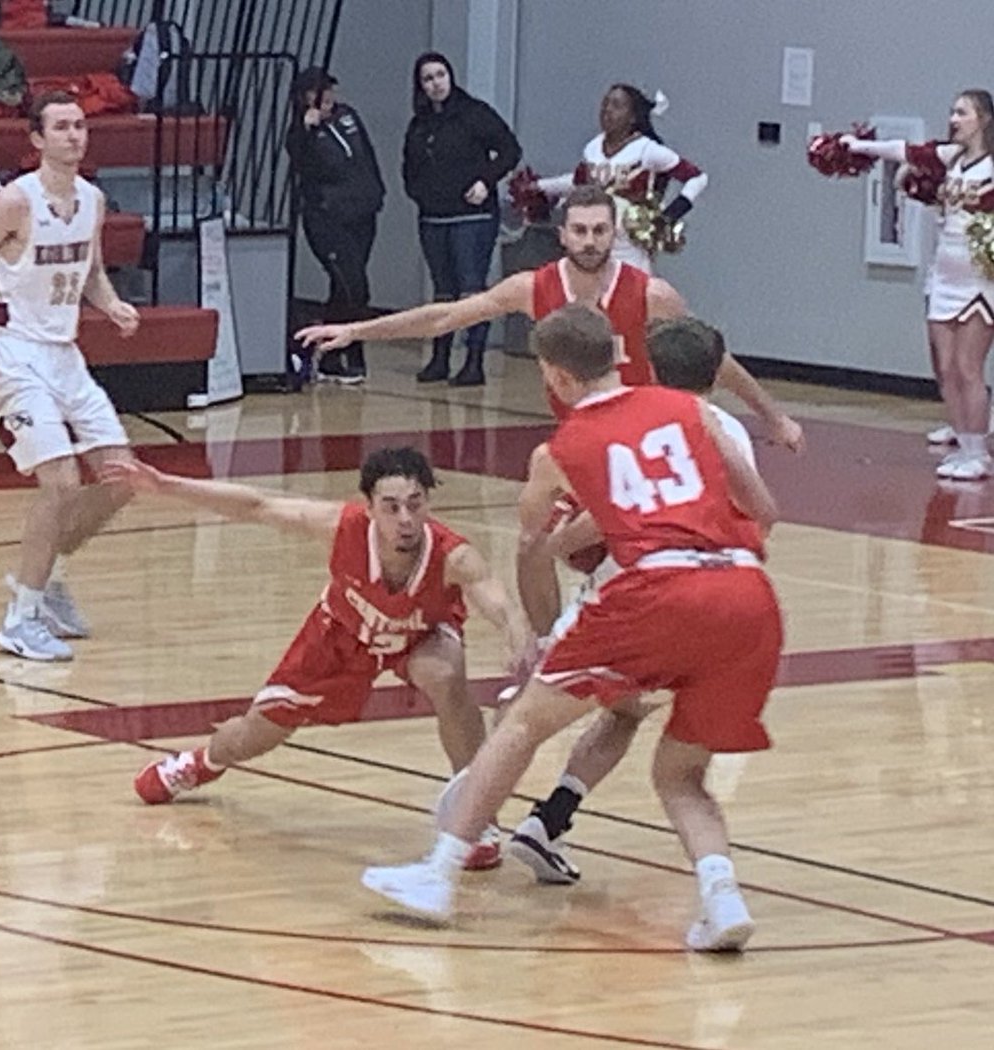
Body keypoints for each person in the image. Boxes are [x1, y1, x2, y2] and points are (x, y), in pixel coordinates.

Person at [361, 305, 783, 953]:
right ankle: (722, 897)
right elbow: (763, 508)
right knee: (679, 774)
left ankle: (439, 875)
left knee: (527, 722)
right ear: (618, 354)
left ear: (554, 376)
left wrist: (572, 537)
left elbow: (537, 536)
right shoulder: (690, 411)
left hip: (655, 589)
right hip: (745, 593)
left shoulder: (558, 450)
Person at [298, 183, 801, 635]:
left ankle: (643, 634)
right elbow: (445, 317)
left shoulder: (651, 294)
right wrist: (356, 330)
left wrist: (771, 415)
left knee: (611, 551)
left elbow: (712, 357)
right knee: (531, 543)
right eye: (580, 230)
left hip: (639, 449)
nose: (590, 240)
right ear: (562, 234)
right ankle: (548, 646)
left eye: (600, 230)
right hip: (584, 451)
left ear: (615, 233)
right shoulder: (533, 288)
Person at [108, 447, 533, 870]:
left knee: (445, 674)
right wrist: (167, 485)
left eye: (415, 504)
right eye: (391, 507)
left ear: (428, 502)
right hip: (340, 637)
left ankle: (476, 818)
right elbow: (257, 505)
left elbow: (501, 603)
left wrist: (519, 641)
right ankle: (202, 762)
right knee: (252, 737)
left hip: (416, 635)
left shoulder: (453, 555)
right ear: (369, 508)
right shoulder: (341, 527)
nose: (405, 519)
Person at [509, 316, 759, 885]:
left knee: (538, 711)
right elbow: (751, 512)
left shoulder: (638, 419)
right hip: (704, 597)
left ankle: (477, 827)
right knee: (627, 720)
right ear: (716, 373)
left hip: (634, 592)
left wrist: (560, 543)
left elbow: (612, 514)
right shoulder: (728, 432)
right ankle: (542, 821)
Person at [0, 90, 140, 662]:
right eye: (61, 127)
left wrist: (112, 304)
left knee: (123, 477)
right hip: (12, 354)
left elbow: (91, 272)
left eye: (80, 126)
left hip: (64, 355)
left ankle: (47, 578)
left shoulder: (93, 200)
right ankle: (20, 617)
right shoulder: (15, 202)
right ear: (37, 139)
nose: (75, 135)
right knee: (60, 482)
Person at [843, 90, 994, 479]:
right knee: (945, 367)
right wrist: (859, 145)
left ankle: (978, 453)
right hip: (944, 274)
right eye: (952, 112)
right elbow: (905, 151)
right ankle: (963, 443)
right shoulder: (953, 158)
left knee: (968, 367)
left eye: (962, 112)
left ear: (984, 119)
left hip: (980, 279)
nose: (954, 119)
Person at [403, 51, 522, 387]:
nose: (436, 83)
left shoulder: (475, 114)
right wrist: (419, 193)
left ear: (450, 76)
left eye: (440, 75)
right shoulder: (420, 124)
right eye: (428, 78)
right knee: (443, 290)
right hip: (433, 217)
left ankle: (473, 361)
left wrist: (486, 180)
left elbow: (509, 149)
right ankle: (440, 357)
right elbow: (409, 166)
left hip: (473, 216)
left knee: (471, 286)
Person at [534, 84, 708, 273]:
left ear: (632, 117)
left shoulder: (646, 150)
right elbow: (578, 183)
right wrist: (538, 186)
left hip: (628, 246)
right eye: (605, 104)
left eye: (616, 106)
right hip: (592, 244)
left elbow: (697, 178)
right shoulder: (592, 148)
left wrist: (669, 215)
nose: (607, 110)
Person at [286, 66, 385, 384]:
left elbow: (365, 156)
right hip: (328, 219)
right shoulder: (300, 133)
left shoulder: (348, 116)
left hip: (362, 214)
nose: (327, 97)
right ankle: (354, 352)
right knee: (354, 285)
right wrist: (306, 130)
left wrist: (376, 192)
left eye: (329, 90)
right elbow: (300, 162)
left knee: (344, 289)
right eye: (318, 93)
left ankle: (327, 353)